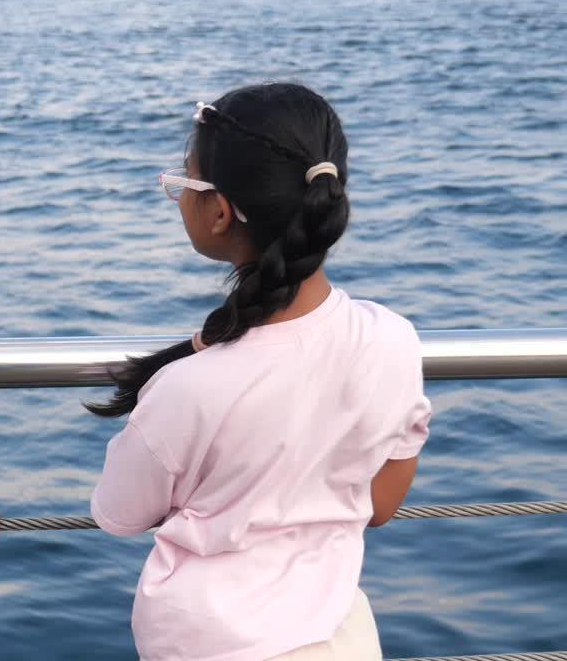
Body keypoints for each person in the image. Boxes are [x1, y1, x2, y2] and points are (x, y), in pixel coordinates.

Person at [87, 83, 432, 661]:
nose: (177, 196)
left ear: (220, 212)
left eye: (183, 184)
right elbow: (380, 505)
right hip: (336, 635)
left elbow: (118, 514)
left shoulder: (190, 387)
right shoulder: (391, 338)